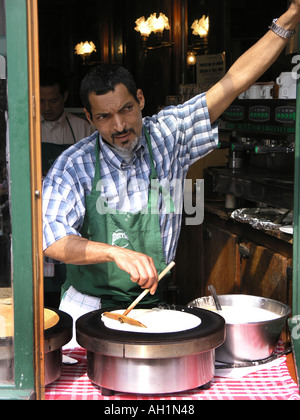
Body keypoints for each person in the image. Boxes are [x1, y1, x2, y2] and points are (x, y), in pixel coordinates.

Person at [42, 3, 300, 330]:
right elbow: (51, 238)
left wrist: (289, 18)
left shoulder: (170, 134)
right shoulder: (73, 164)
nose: (120, 125)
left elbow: (234, 82)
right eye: (105, 117)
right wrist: (114, 253)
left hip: (155, 305)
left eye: (126, 109)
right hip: (89, 306)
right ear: (90, 119)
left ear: (140, 99)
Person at [40, 66, 94, 174]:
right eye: (41, 101)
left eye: (53, 101)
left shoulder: (82, 128)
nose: (47, 107)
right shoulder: (27, 129)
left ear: (65, 96)